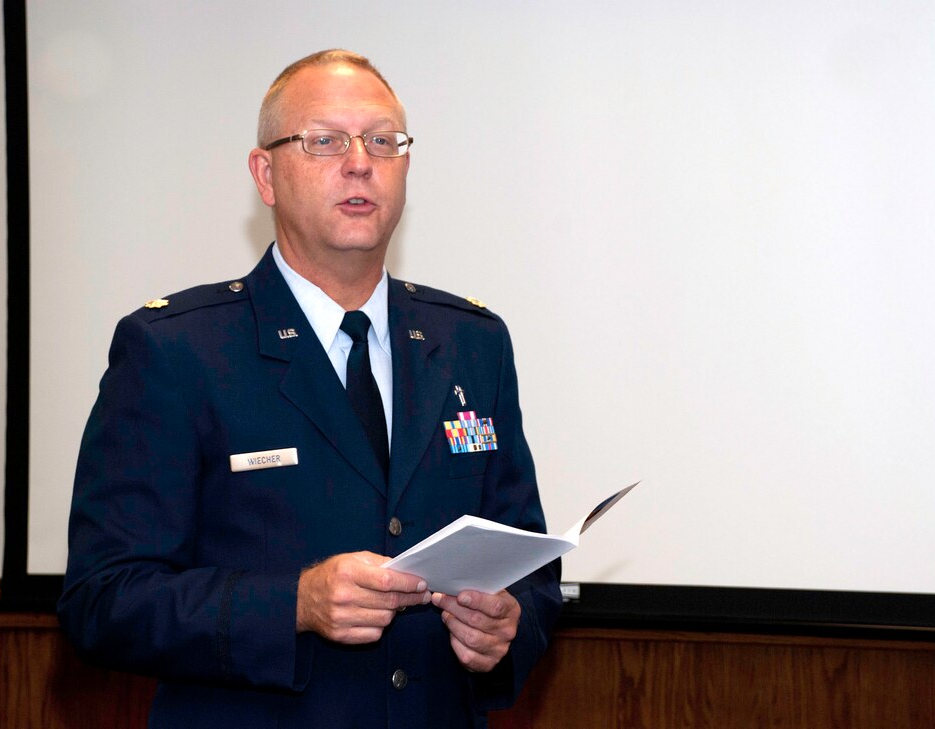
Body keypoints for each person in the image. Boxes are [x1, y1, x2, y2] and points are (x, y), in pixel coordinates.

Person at [57, 49, 562, 728]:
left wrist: (507, 628)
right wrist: (294, 603)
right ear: (265, 173)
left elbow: (528, 562)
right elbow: (102, 599)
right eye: (324, 141)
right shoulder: (176, 350)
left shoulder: (472, 342)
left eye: (384, 141)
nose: (360, 162)